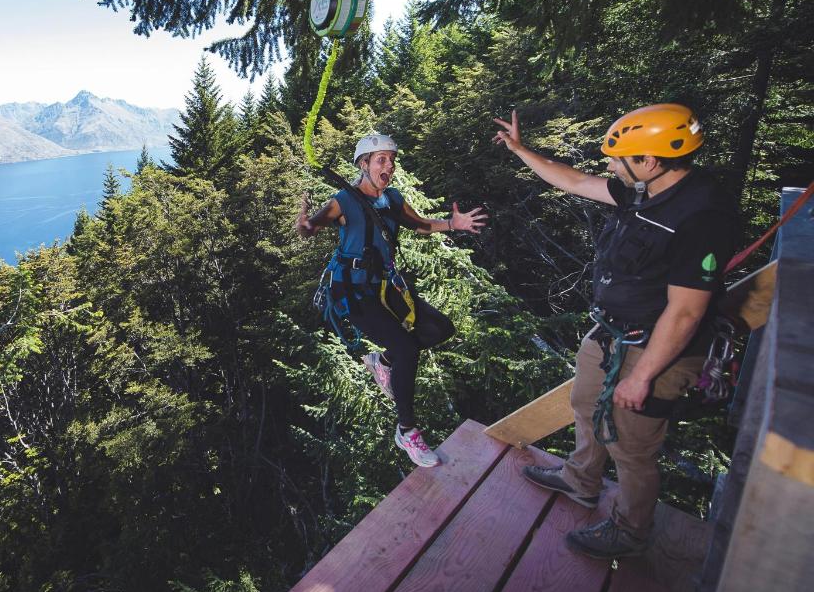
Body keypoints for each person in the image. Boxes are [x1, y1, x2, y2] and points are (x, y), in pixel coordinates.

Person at [493, 103, 736, 558]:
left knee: (631, 444)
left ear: (649, 161)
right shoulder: (646, 190)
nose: (607, 165)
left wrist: (642, 376)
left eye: (617, 158)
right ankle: (580, 480)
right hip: (612, 331)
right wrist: (521, 149)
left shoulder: (700, 216)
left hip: (657, 349)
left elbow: (685, 313)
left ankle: (630, 530)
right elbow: (573, 180)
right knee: (585, 403)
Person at [296, 133, 486, 467]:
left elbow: (421, 225)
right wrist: (305, 225)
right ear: (364, 164)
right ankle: (407, 431)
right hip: (353, 293)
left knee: (440, 329)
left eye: (392, 160)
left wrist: (452, 224)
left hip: (385, 287)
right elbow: (314, 225)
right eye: (381, 160)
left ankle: (382, 362)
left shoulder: (392, 200)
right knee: (407, 349)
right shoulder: (344, 200)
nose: (389, 166)